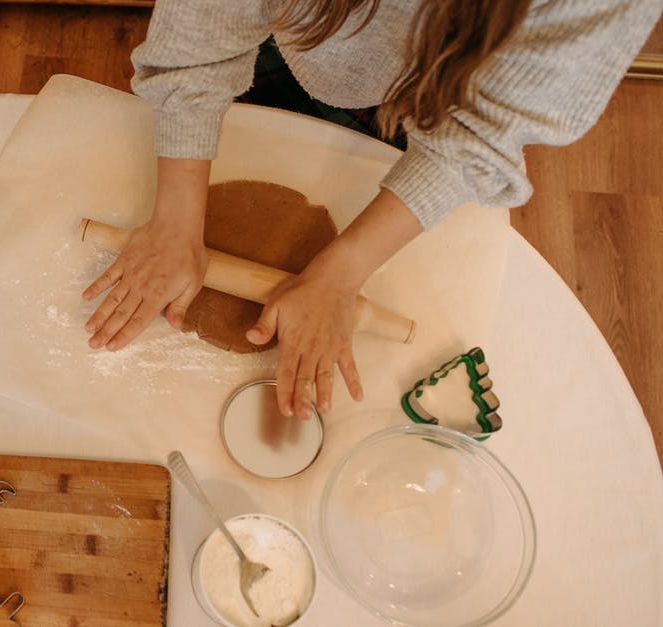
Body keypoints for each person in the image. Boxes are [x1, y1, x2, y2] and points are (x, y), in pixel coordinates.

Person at [83, 0, 661, 419]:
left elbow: (482, 135)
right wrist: (176, 223)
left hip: (442, 92)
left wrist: (338, 277)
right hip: (292, 31)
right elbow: (203, 33)